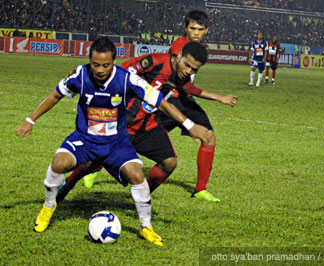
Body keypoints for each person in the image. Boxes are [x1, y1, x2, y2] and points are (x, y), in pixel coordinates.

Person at [15, 37, 209, 246]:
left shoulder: (127, 80)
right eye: (95, 64)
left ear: (114, 62)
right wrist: (30, 120)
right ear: (90, 60)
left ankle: (146, 227)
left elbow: (160, 102)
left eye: (105, 65)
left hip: (117, 142)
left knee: (137, 176)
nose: (100, 70)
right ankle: (48, 207)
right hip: (85, 138)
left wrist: (190, 125)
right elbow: (55, 95)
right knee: (59, 163)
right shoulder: (80, 75)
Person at [56, 42, 211, 204]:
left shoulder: (182, 77)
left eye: (194, 69)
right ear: (178, 55)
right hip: (121, 123)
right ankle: (69, 183)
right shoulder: (156, 61)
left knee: (169, 162)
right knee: (92, 161)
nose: (189, 71)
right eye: (187, 65)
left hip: (147, 125)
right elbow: (122, 70)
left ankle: (143, 199)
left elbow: (184, 91)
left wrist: (217, 100)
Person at [160, 10, 238, 202]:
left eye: (200, 29)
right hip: (168, 100)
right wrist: (219, 97)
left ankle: (201, 189)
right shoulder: (179, 47)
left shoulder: (199, 47)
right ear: (185, 28)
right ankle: (96, 166)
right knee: (136, 137)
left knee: (208, 136)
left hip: (184, 99)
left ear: (206, 30)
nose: (196, 32)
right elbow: (184, 85)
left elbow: (186, 87)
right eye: (192, 28)